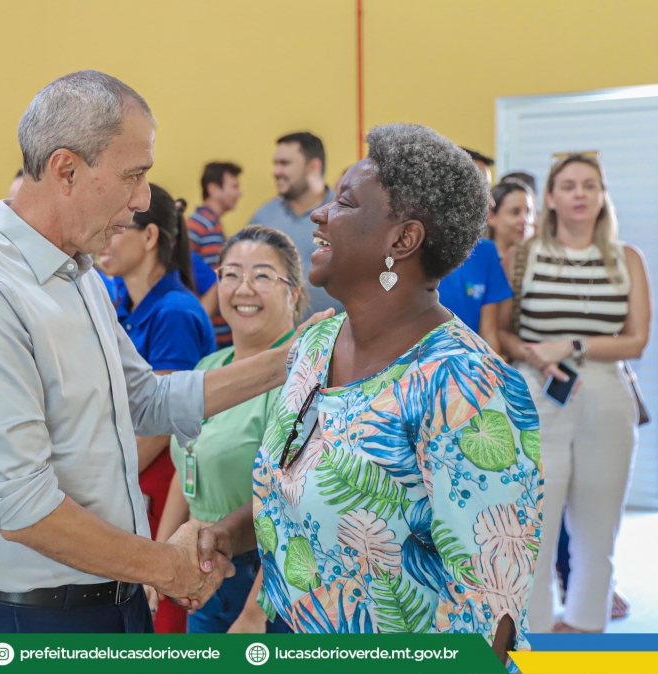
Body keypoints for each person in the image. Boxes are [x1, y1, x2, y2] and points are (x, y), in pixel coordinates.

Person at [0, 70, 329, 634]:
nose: (143, 200)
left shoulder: (79, 275)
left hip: (114, 597)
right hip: (35, 617)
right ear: (66, 170)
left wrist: (289, 361)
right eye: (134, 175)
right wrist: (165, 566)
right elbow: (22, 505)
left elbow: (146, 398)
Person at [196, 125, 539, 666]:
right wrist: (228, 534)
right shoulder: (316, 345)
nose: (320, 214)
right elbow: (295, 486)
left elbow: (492, 606)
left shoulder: (464, 384)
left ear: (403, 240)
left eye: (345, 202)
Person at [499, 152, 651, 634]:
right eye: (568, 186)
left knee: (598, 526)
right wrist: (532, 353)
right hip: (536, 389)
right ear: (550, 197)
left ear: (603, 195)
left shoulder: (626, 258)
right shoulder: (522, 256)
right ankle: (535, 632)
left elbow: (637, 340)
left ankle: (587, 625)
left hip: (605, 390)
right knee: (534, 525)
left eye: (590, 185)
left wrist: (573, 345)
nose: (580, 194)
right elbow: (500, 331)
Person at [155, 224, 305, 634]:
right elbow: (188, 468)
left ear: (293, 293)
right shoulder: (211, 367)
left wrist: (255, 613)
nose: (243, 288)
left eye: (262, 276)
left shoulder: (302, 376)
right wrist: (160, 559)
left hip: (269, 579)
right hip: (204, 567)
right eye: (232, 274)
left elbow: (296, 505)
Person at [97, 183, 216, 633]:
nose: (104, 237)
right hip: (132, 482)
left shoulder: (174, 313)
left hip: (164, 489)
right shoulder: (123, 303)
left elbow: (160, 420)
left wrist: (101, 477)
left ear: (149, 237)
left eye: (116, 228)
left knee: (162, 622)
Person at [249, 132, 341, 318]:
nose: (276, 172)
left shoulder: (343, 214)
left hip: (338, 332)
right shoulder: (264, 217)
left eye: (284, 163)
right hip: (277, 334)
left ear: (313, 166)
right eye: (276, 164)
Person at [438, 180, 516, 348]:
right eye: (480, 186)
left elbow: (488, 333)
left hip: (470, 359)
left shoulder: (486, 251)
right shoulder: (416, 249)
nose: (491, 202)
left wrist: (493, 364)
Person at [189, 162, 242, 348]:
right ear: (213, 189)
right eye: (234, 186)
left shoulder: (202, 224)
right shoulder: (206, 227)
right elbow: (217, 282)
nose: (240, 193)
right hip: (211, 332)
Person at [487, 179, 535, 275]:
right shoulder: (478, 263)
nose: (525, 220)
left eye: (528, 212)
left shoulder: (535, 263)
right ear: (491, 217)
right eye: (515, 212)